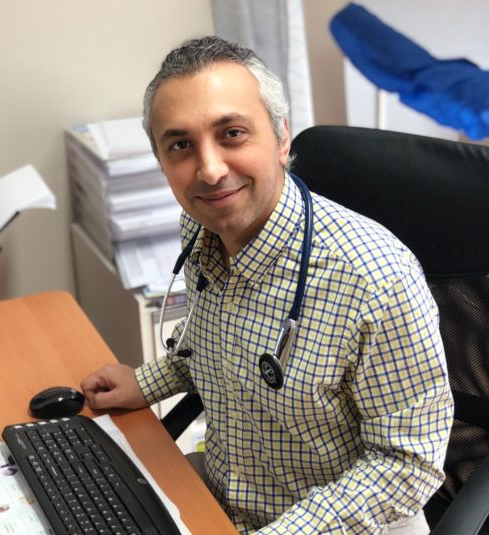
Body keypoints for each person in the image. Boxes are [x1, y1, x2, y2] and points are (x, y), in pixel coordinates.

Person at [81, 36, 453, 534]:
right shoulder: (201, 227)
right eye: (181, 145)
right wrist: (147, 382)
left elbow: (407, 466)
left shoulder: (376, 280)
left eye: (232, 133)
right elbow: (213, 345)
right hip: (224, 500)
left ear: (281, 139)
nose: (210, 170)